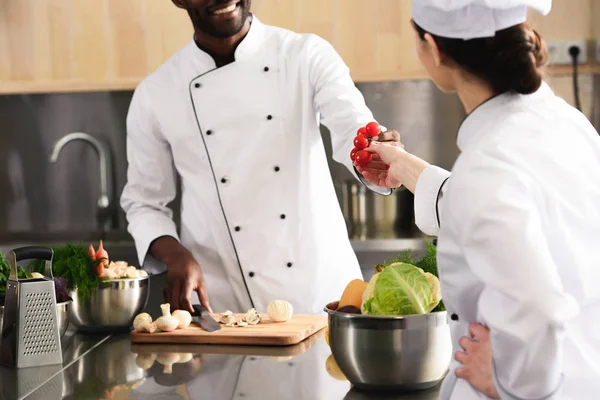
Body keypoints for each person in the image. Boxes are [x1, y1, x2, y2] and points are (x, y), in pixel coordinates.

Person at [358, 0, 600, 399]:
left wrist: (509, 383)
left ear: (433, 49)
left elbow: (536, 309)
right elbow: (496, 208)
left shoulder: (486, 165)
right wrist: (402, 166)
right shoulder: (567, 122)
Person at [120, 0, 398, 315]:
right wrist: (176, 257)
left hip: (323, 299)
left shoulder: (305, 55)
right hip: (223, 306)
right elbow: (144, 203)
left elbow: (354, 127)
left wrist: (373, 155)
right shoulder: (156, 93)